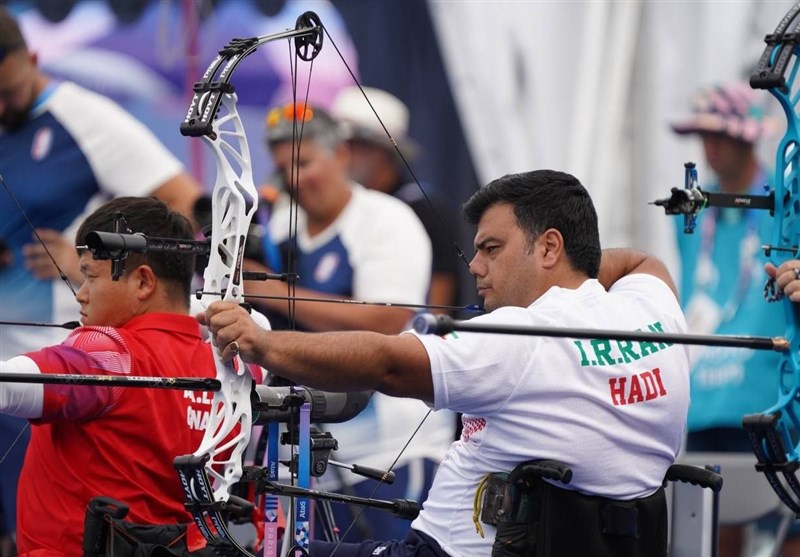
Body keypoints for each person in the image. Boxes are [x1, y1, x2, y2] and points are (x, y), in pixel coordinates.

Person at [201, 169, 691, 556]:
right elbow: (642, 263)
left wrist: (260, 343)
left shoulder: (520, 339)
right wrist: (574, 271)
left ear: (548, 246)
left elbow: (386, 360)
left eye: (492, 249)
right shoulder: (651, 309)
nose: (475, 267)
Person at [0, 8, 202, 546]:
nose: (0, 108)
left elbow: (186, 211)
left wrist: (78, 266)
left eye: (9, 92)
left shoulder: (82, 116)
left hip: (54, 369)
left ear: (33, 60)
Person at [245, 101, 454, 541]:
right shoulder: (282, 223)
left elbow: (385, 322)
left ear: (341, 155)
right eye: (284, 168)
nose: (295, 179)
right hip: (308, 454)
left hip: (390, 454)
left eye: (305, 162)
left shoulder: (388, 219)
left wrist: (274, 292)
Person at [0, 197, 246, 557]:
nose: (80, 295)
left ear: (144, 282)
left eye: (90, 276)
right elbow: (260, 327)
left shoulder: (109, 353)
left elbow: (10, 386)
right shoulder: (233, 366)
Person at [670, 81, 799, 556]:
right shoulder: (691, 211)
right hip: (705, 400)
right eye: (702, 136)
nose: (707, 148)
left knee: (789, 522)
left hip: (771, 396)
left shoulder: (788, 200)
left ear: (745, 139)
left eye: (718, 135)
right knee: (710, 530)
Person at [331, 86, 461, 313]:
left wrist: (426, 340)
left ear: (380, 152)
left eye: (353, 146)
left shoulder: (423, 208)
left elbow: (441, 295)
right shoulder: (345, 208)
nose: (341, 156)